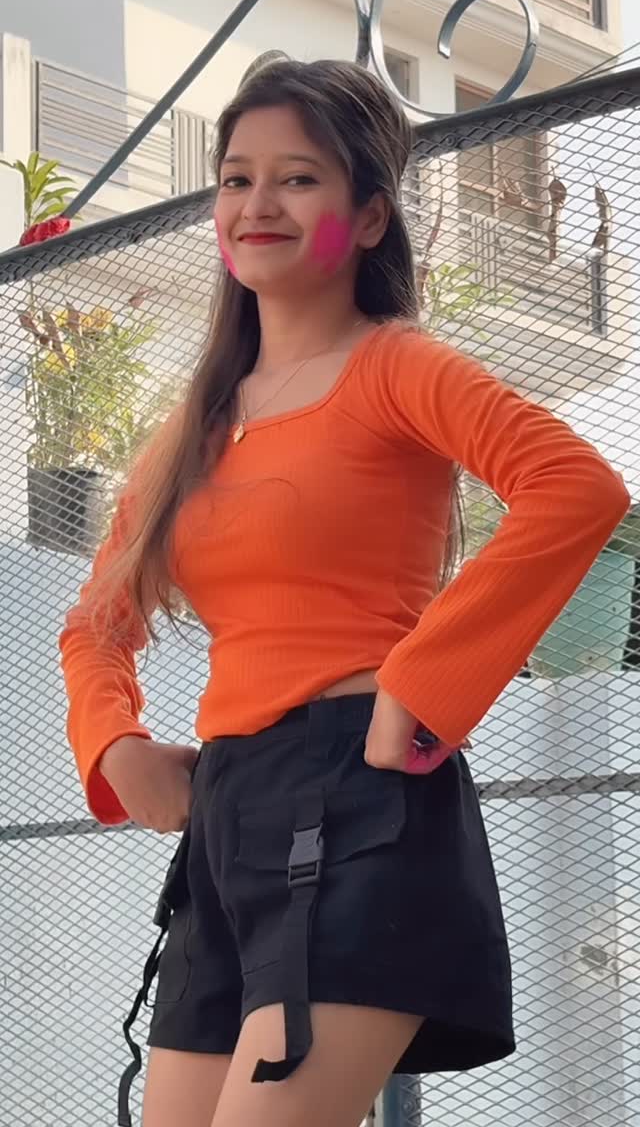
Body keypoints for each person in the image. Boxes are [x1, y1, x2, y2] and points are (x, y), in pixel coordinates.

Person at [59, 58, 630, 1127]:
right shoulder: (194, 427)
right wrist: (115, 745)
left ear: (369, 216)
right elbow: (96, 623)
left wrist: (425, 685)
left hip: (356, 800)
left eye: (298, 178)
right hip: (228, 809)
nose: (257, 204)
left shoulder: (396, 366)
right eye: (237, 178)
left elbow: (574, 487)